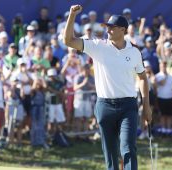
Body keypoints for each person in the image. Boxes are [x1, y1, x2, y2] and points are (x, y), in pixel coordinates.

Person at [63, 5, 152, 170]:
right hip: (104, 106)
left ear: (123, 30)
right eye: (107, 27)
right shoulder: (97, 46)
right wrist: (72, 16)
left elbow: (143, 78)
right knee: (110, 153)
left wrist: (146, 106)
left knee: (128, 147)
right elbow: (68, 41)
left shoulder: (134, 52)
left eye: (112, 27)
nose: (108, 29)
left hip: (128, 105)